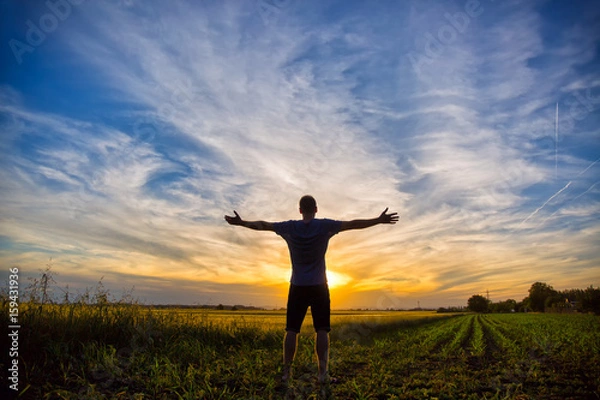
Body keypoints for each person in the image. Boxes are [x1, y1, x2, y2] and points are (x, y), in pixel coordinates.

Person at [224, 195, 398, 383]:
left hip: (297, 285)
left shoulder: (289, 227)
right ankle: (323, 375)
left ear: (300, 210)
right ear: (316, 209)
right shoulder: (324, 226)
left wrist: (242, 223)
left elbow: (263, 225)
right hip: (319, 286)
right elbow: (353, 224)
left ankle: (286, 374)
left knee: (291, 330)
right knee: (322, 330)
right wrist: (378, 220)